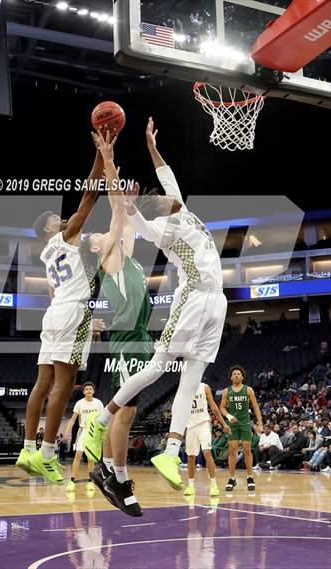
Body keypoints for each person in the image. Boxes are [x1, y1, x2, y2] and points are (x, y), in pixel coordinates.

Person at [85, 117, 228, 497]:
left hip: (218, 303)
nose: (168, 195)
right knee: (157, 367)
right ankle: (101, 419)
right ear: (158, 210)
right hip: (193, 297)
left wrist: (150, 146)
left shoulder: (182, 210)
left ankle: (170, 451)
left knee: (191, 380)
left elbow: (166, 173)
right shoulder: (161, 230)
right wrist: (115, 174)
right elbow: (125, 207)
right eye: (161, 198)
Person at [15, 138, 103, 484]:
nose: (62, 217)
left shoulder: (47, 252)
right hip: (71, 313)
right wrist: (100, 154)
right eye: (56, 217)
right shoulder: (66, 236)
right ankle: (48, 455)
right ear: (51, 227)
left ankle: (27, 449)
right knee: (64, 387)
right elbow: (89, 196)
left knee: (42, 383)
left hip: (53, 314)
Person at [85, 130, 153, 516]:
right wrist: (108, 162)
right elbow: (115, 208)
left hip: (141, 339)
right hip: (127, 340)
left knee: (127, 411)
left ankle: (109, 470)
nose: (105, 233)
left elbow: (124, 216)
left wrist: (129, 201)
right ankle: (119, 477)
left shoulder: (131, 256)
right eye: (99, 235)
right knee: (124, 412)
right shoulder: (109, 256)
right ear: (97, 246)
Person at [220, 366, 263, 492]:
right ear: (231, 377)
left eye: (239, 374)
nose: (237, 375)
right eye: (234, 374)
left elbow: (256, 407)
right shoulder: (226, 391)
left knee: (246, 450)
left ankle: (250, 477)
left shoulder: (248, 390)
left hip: (245, 423)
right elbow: (222, 408)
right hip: (233, 424)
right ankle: (232, 478)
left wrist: (259, 424)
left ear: (242, 377)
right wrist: (228, 416)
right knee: (232, 451)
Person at [183, 383, 231, 497]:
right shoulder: (183, 388)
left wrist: (223, 423)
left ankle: (213, 485)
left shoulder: (204, 387)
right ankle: (190, 485)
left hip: (203, 423)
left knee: (207, 452)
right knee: (191, 457)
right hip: (190, 426)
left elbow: (214, 407)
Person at [64, 382, 104, 493]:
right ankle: (72, 481)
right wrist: (67, 431)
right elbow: (73, 419)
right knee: (78, 455)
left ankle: (90, 482)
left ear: (93, 391)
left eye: (90, 388)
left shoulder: (99, 403)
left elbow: (103, 418)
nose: (89, 390)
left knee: (91, 458)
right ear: (83, 392)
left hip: (94, 432)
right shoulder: (79, 403)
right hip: (83, 430)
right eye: (86, 389)